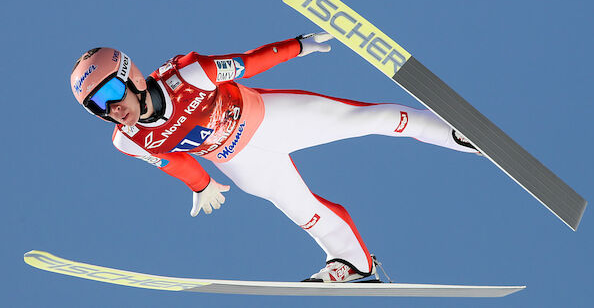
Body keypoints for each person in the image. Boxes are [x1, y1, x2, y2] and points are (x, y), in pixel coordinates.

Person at [70, 33, 478, 282]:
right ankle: (354, 265)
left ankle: (455, 132)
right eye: (96, 108)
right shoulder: (128, 140)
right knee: (305, 212)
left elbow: (249, 62)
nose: (110, 110)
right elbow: (171, 160)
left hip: (273, 120)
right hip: (242, 164)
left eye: (109, 95)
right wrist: (204, 184)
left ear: (134, 77)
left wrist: (298, 46)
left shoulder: (188, 74)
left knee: (368, 118)